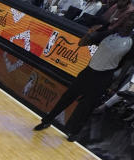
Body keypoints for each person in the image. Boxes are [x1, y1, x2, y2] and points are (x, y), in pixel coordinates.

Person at [33, 12, 134, 141]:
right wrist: (90, 33)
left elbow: (127, 64)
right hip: (89, 71)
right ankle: (47, 120)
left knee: (86, 107)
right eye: (128, 19)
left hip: (104, 76)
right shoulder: (108, 32)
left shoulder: (131, 42)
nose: (130, 22)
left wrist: (116, 83)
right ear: (122, 20)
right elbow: (82, 43)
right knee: (68, 97)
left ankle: (74, 132)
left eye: (132, 21)